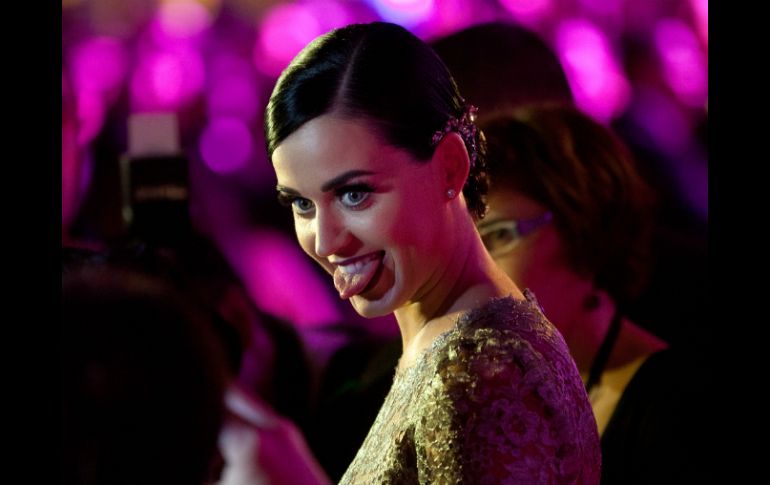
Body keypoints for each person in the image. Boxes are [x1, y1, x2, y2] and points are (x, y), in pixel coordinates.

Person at [264, 21, 600, 483]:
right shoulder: (464, 342)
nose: (324, 241)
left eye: (354, 194)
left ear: (450, 167)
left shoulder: (476, 378)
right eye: (302, 204)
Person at [478, 105, 699, 483]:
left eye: (498, 235)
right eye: (471, 246)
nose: (478, 269)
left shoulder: (680, 407)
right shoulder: (494, 400)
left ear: (583, 226)